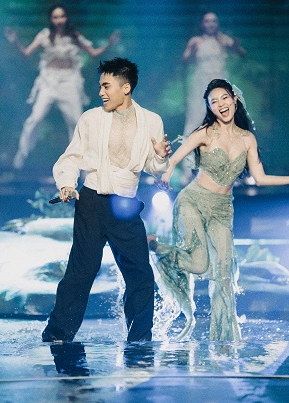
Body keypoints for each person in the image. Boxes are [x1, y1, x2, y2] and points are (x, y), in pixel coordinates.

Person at [150, 79, 289, 342]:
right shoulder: (205, 133)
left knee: (224, 274)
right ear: (210, 108)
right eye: (213, 102)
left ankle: (223, 339)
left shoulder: (247, 139)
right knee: (200, 263)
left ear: (234, 99)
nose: (220, 104)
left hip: (222, 210)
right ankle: (157, 247)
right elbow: (175, 159)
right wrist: (167, 176)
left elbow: (260, 178)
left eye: (224, 98)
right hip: (193, 201)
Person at [41, 57, 171, 343]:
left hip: (125, 204)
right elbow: (72, 156)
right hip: (92, 202)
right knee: (81, 271)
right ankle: (57, 334)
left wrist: (161, 156)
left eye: (106, 86)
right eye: (100, 86)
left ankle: (140, 338)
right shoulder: (91, 118)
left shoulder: (151, 120)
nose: (101, 92)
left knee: (140, 273)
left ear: (126, 87)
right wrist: (67, 184)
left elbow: (154, 167)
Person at [5, 3, 120, 169]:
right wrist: (15, 42)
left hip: (69, 82)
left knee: (76, 122)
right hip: (49, 81)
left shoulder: (74, 36)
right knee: (35, 118)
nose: (59, 20)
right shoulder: (45, 35)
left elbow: (93, 53)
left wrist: (109, 44)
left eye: (62, 16)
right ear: (51, 19)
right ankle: (23, 153)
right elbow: (26, 53)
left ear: (66, 18)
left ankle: (80, 164)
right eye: (55, 17)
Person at [182, 12, 245, 137]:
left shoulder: (223, 39)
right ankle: (193, 144)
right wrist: (192, 50)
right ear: (202, 24)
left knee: (221, 110)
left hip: (219, 81)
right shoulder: (196, 41)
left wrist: (236, 46)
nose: (211, 24)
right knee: (198, 112)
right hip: (201, 81)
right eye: (207, 21)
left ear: (217, 23)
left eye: (214, 21)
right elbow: (185, 60)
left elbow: (241, 53)